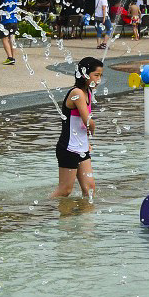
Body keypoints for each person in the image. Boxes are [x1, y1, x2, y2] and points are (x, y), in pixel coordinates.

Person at [51, 56, 103, 200]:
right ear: (85, 74)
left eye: (100, 75)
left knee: (90, 189)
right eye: (96, 75)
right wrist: (92, 126)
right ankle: (43, 210)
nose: (99, 79)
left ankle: (85, 220)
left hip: (81, 147)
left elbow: (79, 124)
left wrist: (87, 142)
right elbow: (87, 121)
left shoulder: (89, 92)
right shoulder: (77, 93)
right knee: (65, 191)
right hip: (68, 148)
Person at [0, 0, 19, 65]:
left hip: (6, 21)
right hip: (14, 21)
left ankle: (10, 58)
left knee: (5, 39)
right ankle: (13, 58)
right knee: (12, 39)